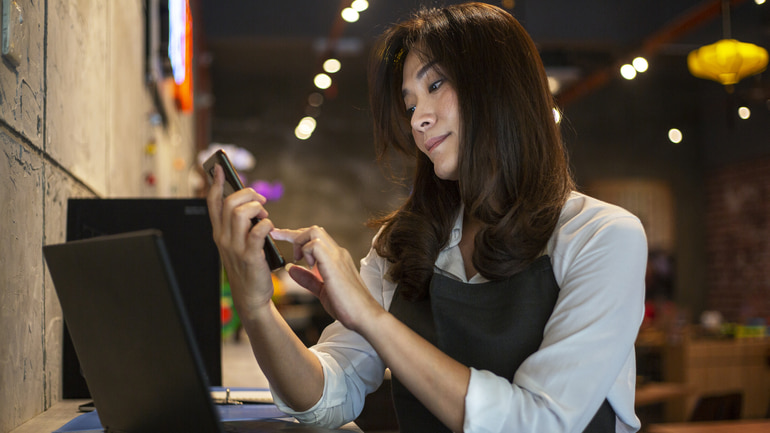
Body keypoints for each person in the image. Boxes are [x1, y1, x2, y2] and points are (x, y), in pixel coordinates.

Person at [206, 3, 647, 433]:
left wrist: (370, 317)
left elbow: (538, 422)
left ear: (500, 86)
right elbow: (326, 399)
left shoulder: (603, 237)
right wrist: (256, 306)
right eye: (410, 103)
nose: (418, 119)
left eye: (435, 86)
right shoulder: (403, 244)